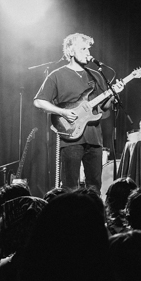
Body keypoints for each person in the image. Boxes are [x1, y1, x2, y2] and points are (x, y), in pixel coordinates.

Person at [33, 33, 124, 192]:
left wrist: (114, 94)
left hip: (94, 138)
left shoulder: (96, 75)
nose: (88, 52)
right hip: (71, 137)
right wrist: (62, 112)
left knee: (94, 186)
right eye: (83, 49)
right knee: (70, 187)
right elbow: (39, 101)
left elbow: (103, 107)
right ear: (70, 51)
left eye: (88, 49)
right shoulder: (57, 75)